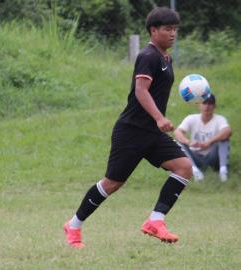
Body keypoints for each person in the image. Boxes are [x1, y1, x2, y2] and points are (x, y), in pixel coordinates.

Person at [63, 7, 193, 248]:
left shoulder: (166, 57)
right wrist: (159, 118)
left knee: (184, 167)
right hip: (132, 131)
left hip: (152, 134)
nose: (173, 34)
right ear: (153, 31)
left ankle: (155, 221)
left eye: (175, 29)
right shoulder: (148, 56)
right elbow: (140, 91)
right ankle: (74, 225)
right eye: (167, 29)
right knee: (112, 184)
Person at [174, 94, 232, 182]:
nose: (207, 106)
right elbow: (177, 132)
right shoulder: (192, 118)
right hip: (195, 156)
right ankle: (194, 170)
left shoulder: (220, 119)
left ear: (214, 106)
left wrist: (209, 142)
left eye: (210, 103)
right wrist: (189, 142)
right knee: (179, 142)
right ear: (199, 105)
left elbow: (228, 131)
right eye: (204, 103)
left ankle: (223, 170)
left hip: (212, 156)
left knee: (224, 140)